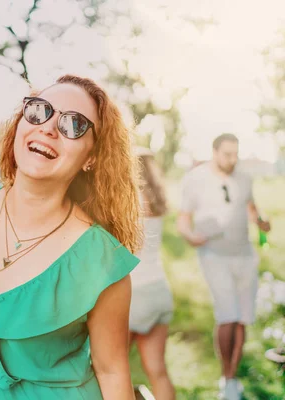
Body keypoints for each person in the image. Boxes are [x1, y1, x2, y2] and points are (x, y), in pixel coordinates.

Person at [0, 74, 143, 399]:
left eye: (73, 124)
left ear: (93, 156)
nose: (49, 127)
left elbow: (111, 373)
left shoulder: (100, 261)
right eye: (40, 111)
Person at [177, 133, 271, 400]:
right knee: (227, 314)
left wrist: (262, 222)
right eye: (227, 154)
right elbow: (183, 220)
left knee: (242, 317)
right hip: (213, 255)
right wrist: (190, 236)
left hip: (244, 255)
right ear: (214, 152)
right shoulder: (196, 179)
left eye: (235, 154)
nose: (233, 159)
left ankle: (232, 376)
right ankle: (225, 378)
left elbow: (252, 210)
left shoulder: (244, 178)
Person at [129, 147, 176, 400]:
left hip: (132, 294)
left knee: (110, 368)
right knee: (158, 371)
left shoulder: (128, 199)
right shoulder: (156, 200)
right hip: (159, 289)